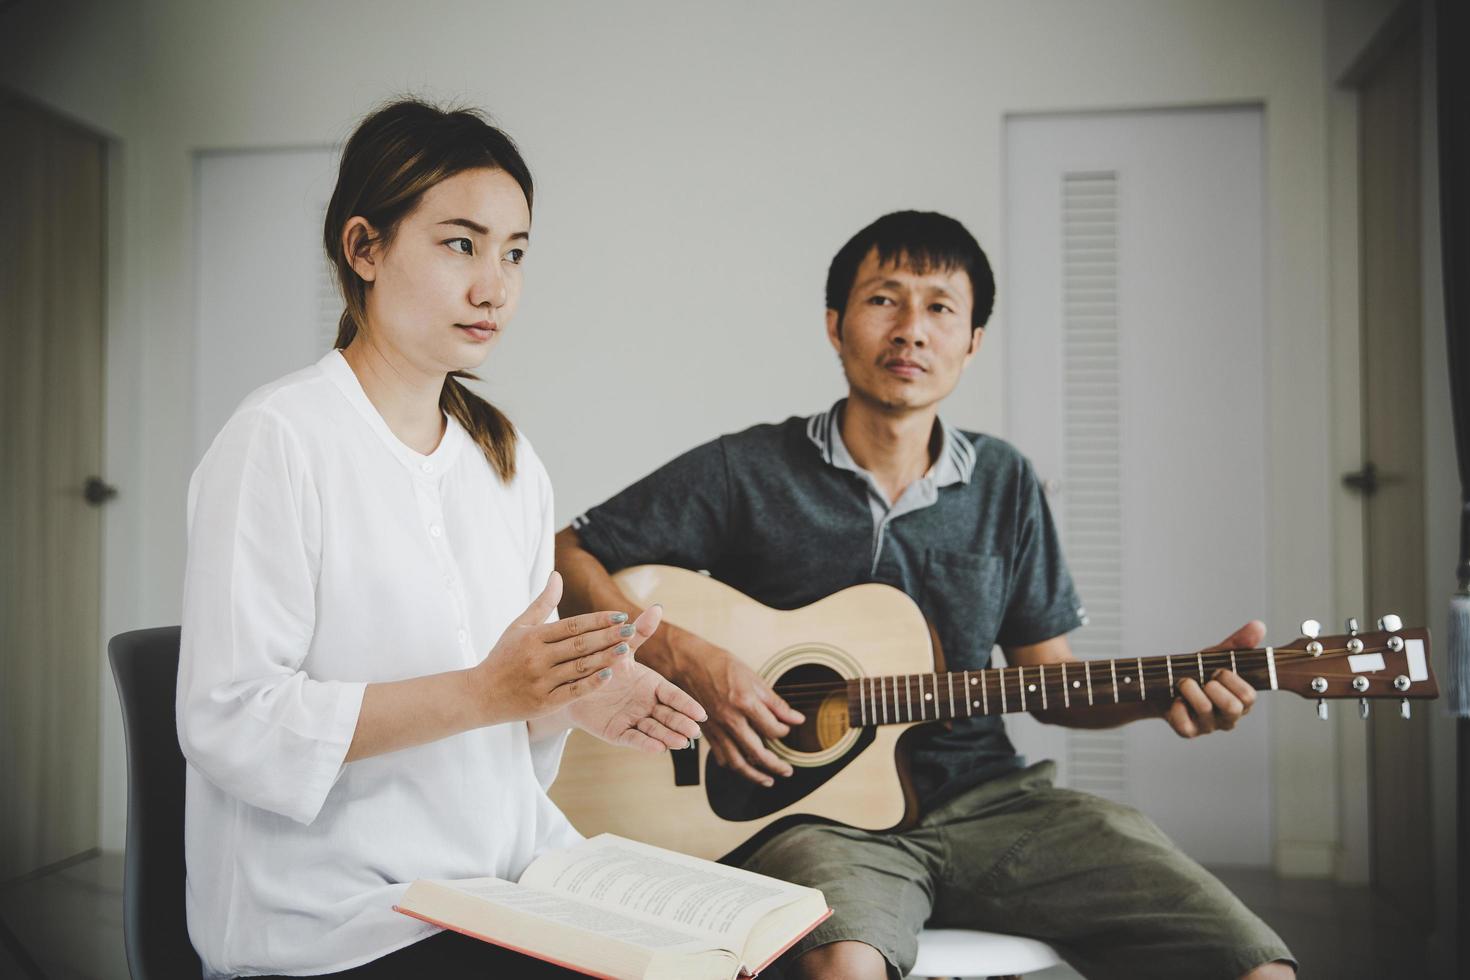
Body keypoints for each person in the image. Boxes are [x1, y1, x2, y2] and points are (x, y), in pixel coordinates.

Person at [555, 211, 1297, 980]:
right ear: (836, 325)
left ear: (972, 341)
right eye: (885, 300)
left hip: (993, 804)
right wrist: (680, 653)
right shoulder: (747, 468)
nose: (911, 330)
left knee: (1252, 962)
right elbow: (566, 550)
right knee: (844, 967)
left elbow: (1052, 681)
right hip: (817, 821)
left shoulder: (1006, 481)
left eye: (941, 307)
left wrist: (1166, 692)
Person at [176, 99, 705, 979]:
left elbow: (498, 722)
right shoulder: (279, 440)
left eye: (515, 253)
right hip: (334, 920)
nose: (494, 285)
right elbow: (231, 720)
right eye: (461, 243)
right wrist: (486, 694)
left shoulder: (506, 461)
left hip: (498, 884)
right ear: (365, 249)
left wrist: (559, 703)